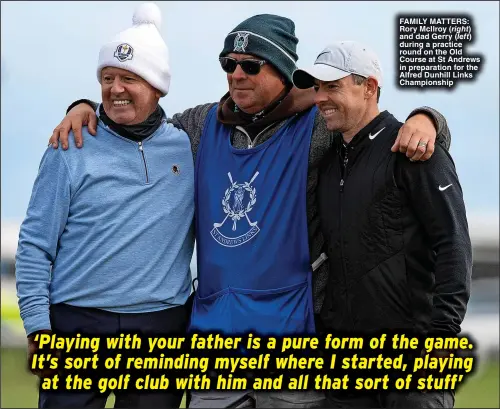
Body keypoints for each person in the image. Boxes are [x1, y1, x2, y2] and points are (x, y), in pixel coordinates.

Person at [48, 14, 453, 408]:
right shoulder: (198, 125)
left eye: (250, 65)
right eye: (229, 64)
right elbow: (137, 123)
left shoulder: (318, 122)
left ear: (283, 72)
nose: (236, 74)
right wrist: (85, 107)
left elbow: (372, 123)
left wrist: (428, 119)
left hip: (293, 349)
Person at [15, 4, 194, 408]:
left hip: (160, 329)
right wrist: (38, 330)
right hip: (77, 325)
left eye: (129, 78)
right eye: (107, 77)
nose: (115, 88)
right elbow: (34, 245)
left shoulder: (190, 145)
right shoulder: (69, 146)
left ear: (158, 87)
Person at [293, 41, 473, 408]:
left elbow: (453, 244)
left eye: (333, 87)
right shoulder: (327, 162)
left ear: (369, 88)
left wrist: (441, 339)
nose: (320, 98)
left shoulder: (414, 150)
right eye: (317, 88)